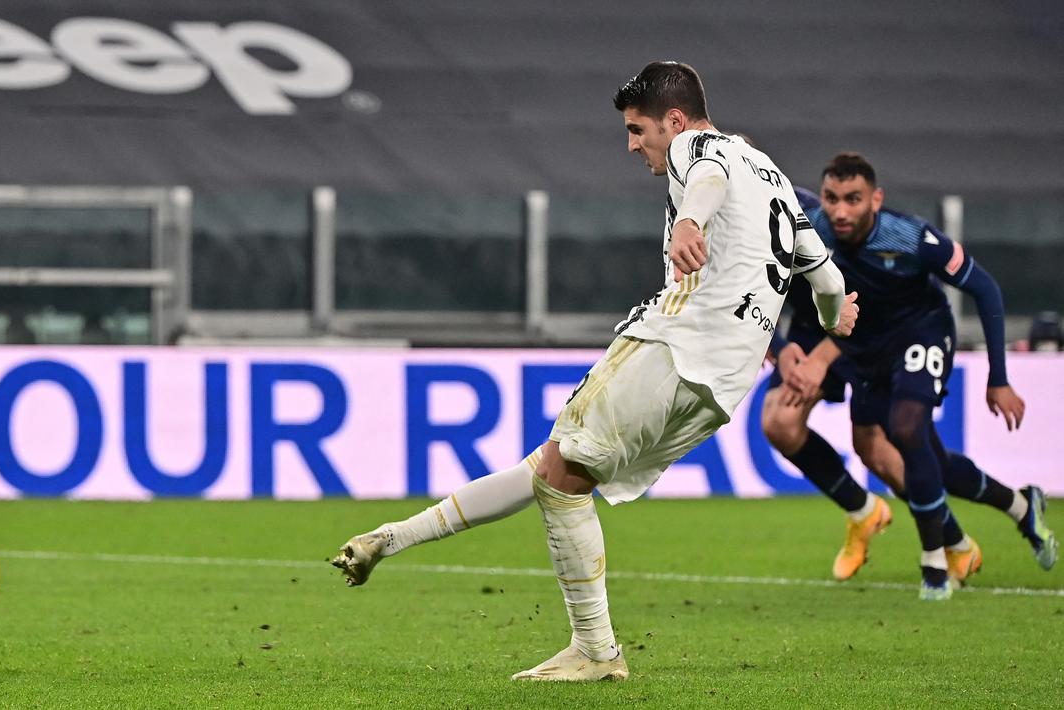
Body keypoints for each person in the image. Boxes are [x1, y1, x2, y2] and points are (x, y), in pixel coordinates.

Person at [330, 61, 858, 681]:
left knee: (560, 479)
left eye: (638, 129)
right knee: (551, 468)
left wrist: (689, 219)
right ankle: (388, 539)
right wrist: (832, 319)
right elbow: (827, 280)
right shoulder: (774, 180)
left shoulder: (702, 147)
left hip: (675, 347)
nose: (632, 144)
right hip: (723, 384)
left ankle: (595, 650)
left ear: (676, 120)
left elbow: (708, 175)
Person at [782, 152, 1056, 600]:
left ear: (876, 198)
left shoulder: (911, 237)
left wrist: (999, 377)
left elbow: (983, 287)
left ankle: (934, 562)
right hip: (866, 351)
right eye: (832, 198)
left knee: (907, 427)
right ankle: (1022, 505)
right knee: (931, 462)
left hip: (920, 332)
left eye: (854, 199)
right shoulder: (811, 230)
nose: (841, 211)